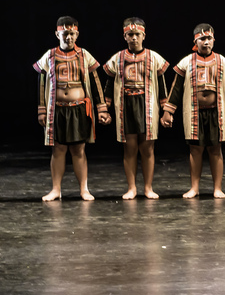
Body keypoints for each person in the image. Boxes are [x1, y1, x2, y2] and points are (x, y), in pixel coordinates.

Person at [33, 16, 111, 201]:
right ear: (57, 34)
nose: (68, 37)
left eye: (72, 33)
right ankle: (55, 189)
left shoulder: (84, 55)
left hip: (78, 109)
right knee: (58, 150)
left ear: (77, 34)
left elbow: (95, 82)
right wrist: (42, 110)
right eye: (65, 33)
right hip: (58, 110)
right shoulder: (49, 56)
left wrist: (102, 109)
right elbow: (42, 82)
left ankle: (84, 189)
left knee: (79, 150)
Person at [161, 24, 225, 198]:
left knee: (215, 149)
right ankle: (194, 187)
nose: (206, 42)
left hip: (215, 112)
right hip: (194, 112)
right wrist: (168, 111)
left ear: (214, 40)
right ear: (195, 41)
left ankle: (217, 188)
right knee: (195, 150)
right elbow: (176, 89)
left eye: (209, 38)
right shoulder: (186, 62)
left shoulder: (222, 61)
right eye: (202, 39)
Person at [103, 17, 170, 200]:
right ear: (124, 36)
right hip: (126, 106)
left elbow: (162, 85)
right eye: (130, 34)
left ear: (144, 35)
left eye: (137, 34)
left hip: (147, 106)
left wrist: (166, 110)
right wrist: (105, 108)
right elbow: (109, 83)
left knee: (147, 148)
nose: (134, 38)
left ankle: (148, 188)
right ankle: (131, 188)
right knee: (129, 148)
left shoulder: (153, 57)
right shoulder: (117, 58)